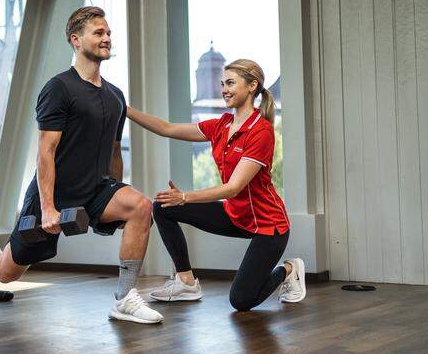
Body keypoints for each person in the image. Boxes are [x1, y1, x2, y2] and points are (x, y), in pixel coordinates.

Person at [0, 7, 163, 324]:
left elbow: (114, 151)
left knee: (140, 206)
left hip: (97, 188)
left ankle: (124, 298)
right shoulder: (59, 88)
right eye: (99, 33)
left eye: (108, 33)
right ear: (75, 39)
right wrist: (47, 208)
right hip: (54, 193)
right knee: (4, 271)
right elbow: (46, 151)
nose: (107, 38)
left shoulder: (115, 97)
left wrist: (115, 190)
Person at [127, 59, 306, 311]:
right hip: (236, 215)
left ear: (252, 86)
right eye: (222, 83)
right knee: (163, 207)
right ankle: (186, 282)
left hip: (268, 225)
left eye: (231, 83)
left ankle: (289, 270)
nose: (224, 89)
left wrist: (186, 197)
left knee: (241, 301)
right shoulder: (220, 125)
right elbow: (167, 128)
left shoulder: (260, 131)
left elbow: (234, 188)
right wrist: (125, 110)